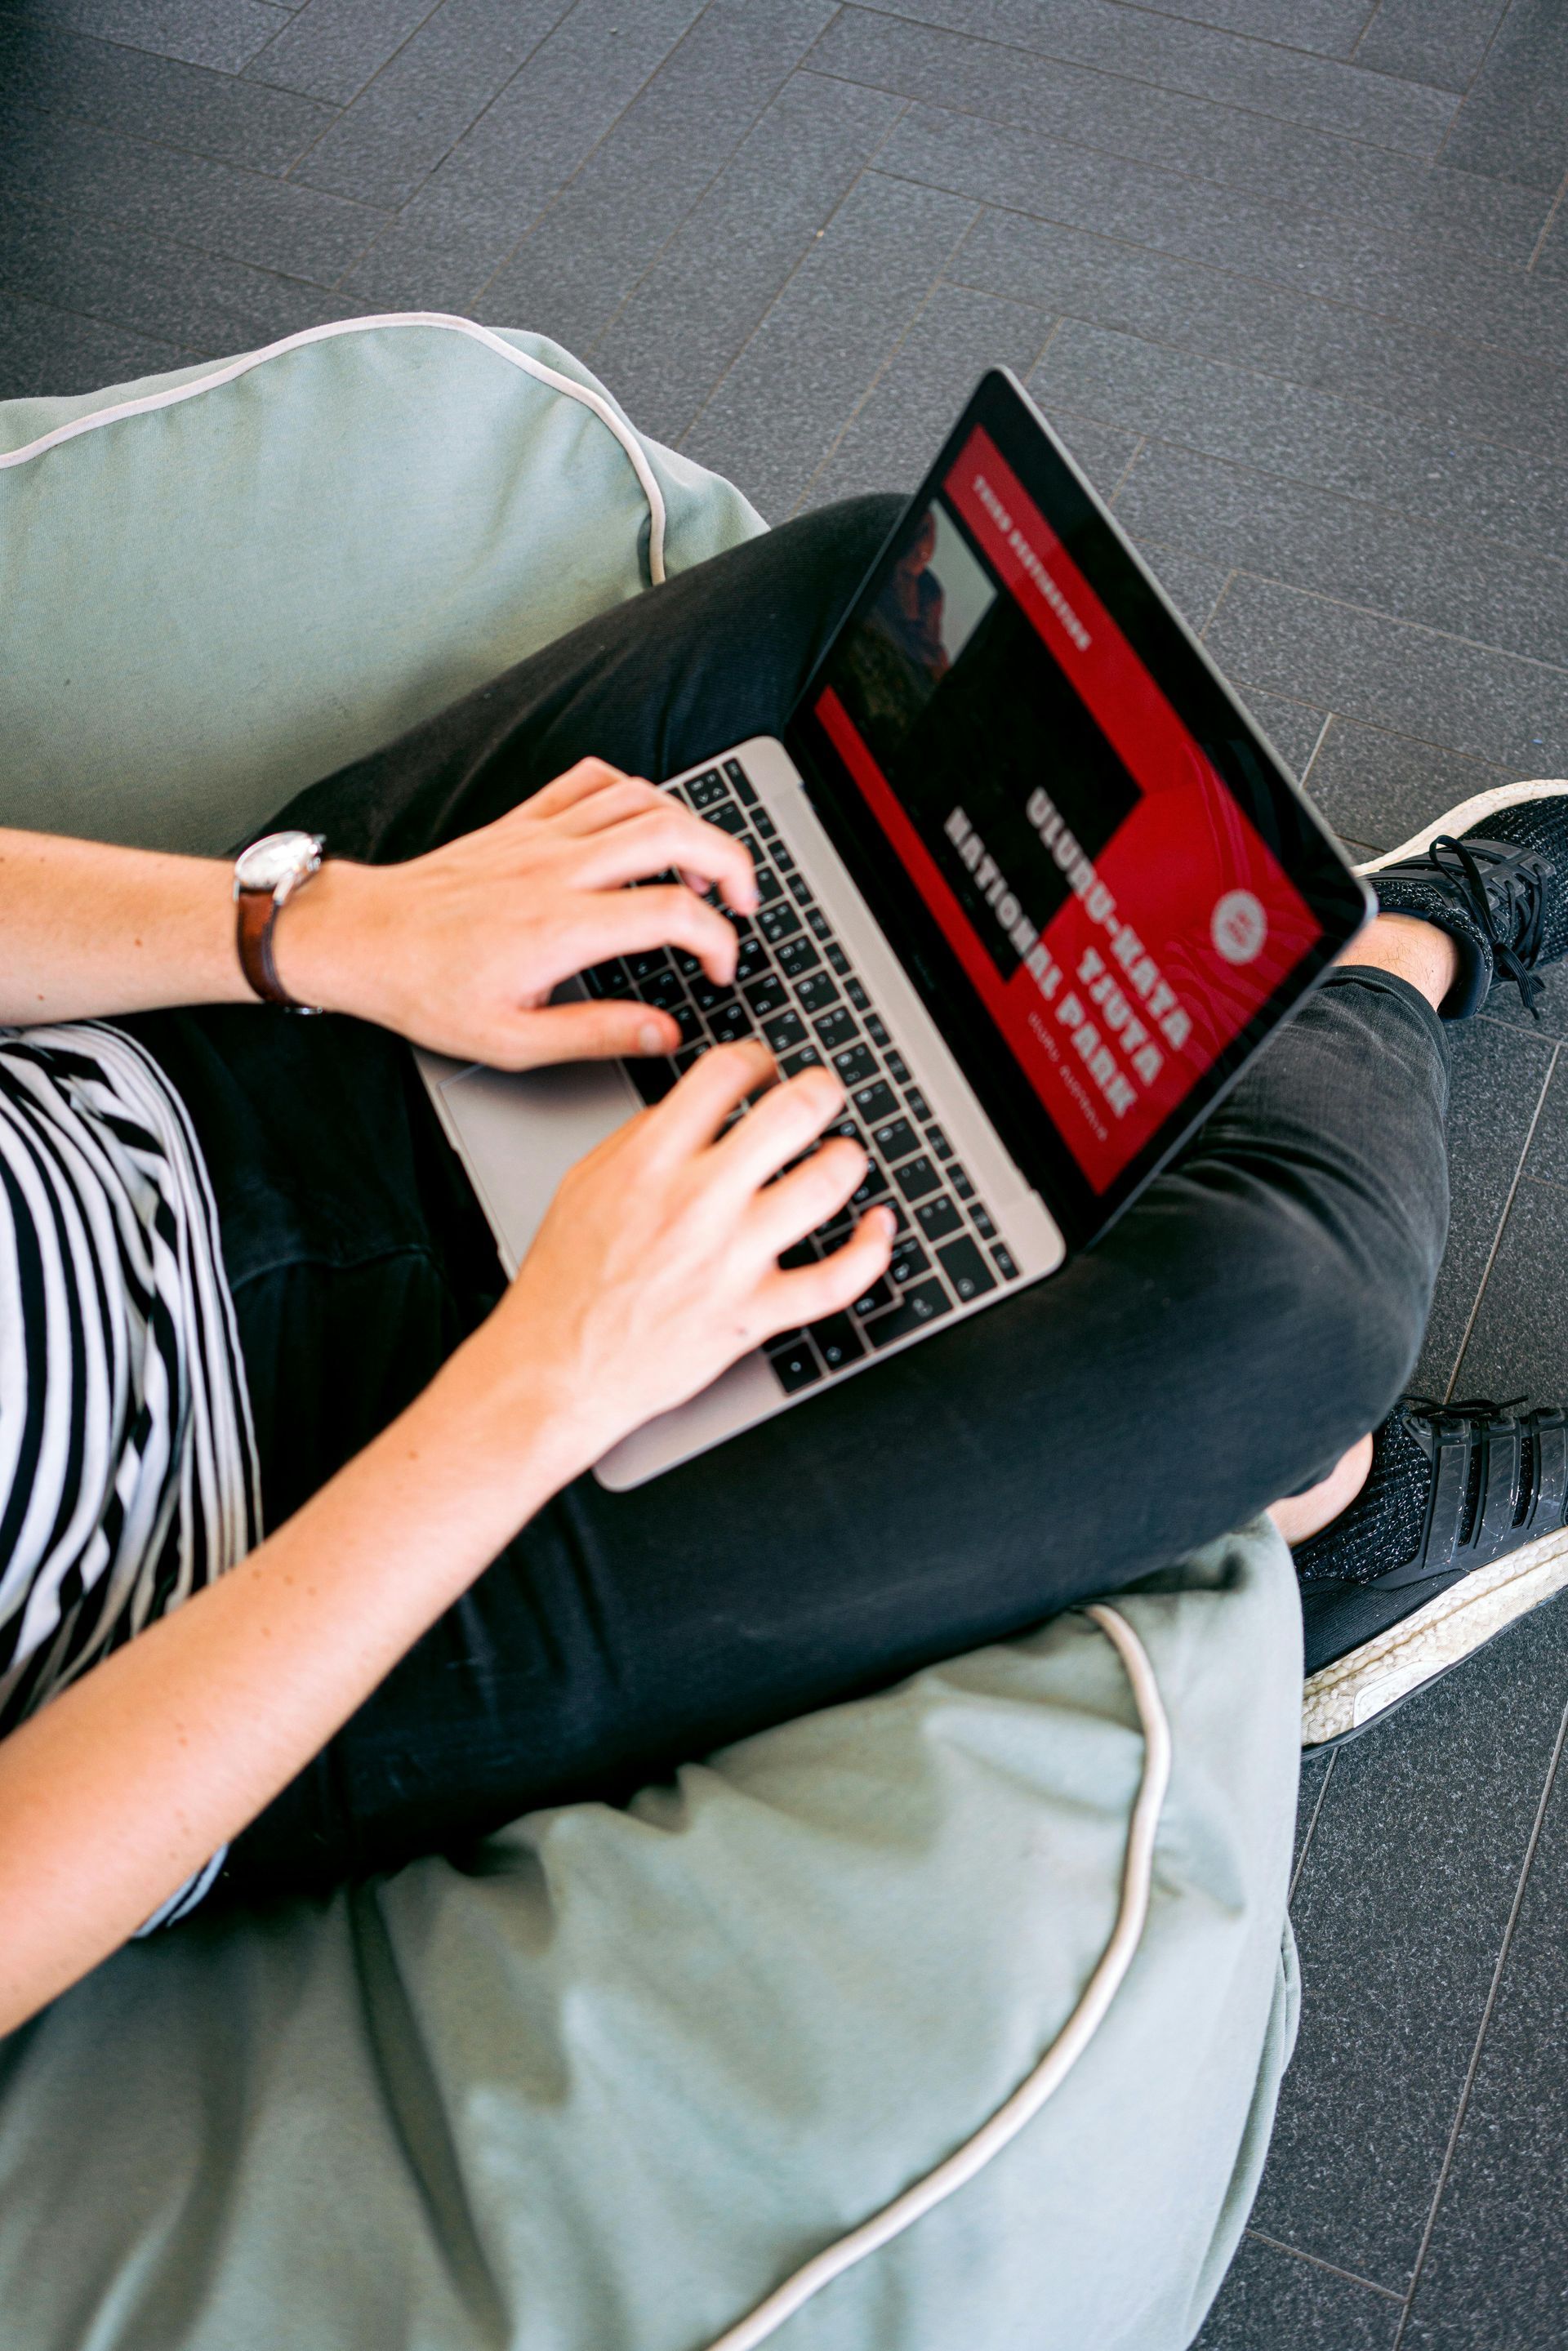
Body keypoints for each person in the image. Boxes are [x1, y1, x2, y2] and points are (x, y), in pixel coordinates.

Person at [1, 496, 1563, 2038]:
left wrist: (324, 930)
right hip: (277, 1584)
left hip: (187, 1074)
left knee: (897, 604)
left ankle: (1204, 1161)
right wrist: (542, 1384)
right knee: (1293, 1294)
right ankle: (1387, 979)